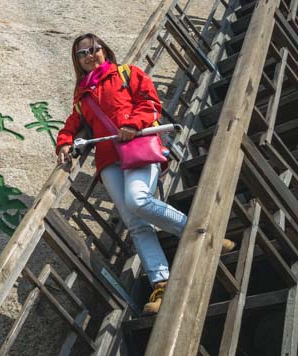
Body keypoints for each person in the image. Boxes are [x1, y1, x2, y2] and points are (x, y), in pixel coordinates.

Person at [55, 33, 234, 315]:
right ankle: (161, 284)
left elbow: (150, 102)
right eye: (82, 53)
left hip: (138, 147)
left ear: (105, 51)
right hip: (109, 161)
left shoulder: (127, 73)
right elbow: (73, 123)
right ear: (77, 60)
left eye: (94, 49)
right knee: (135, 223)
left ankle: (202, 234)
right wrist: (64, 142)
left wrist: (133, 123)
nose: (89, 55)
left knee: (138, 200)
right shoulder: (82, 94)